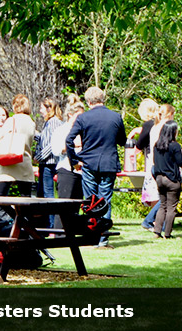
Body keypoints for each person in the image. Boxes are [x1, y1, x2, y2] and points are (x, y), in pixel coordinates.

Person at [66, 86, 127, 249]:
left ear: (88, 101)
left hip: (89, 163)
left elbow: (68, 140)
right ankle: (103, 240)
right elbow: (122, 140)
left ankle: (91, 236)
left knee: (91, 201)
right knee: (105, 200)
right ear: (103, 99)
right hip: (109, 163)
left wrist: (75, 160)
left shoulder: (83, 118)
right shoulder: (115, 117)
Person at [0, 94, 36, 224]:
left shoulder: (12, 120)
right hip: (24, 160)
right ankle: (26, 227)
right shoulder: (31, 123)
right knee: (25, 198)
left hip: (9, 161)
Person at [51, 94, 86, 229]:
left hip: (81, 171)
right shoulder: (61, 130)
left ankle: (73, 233)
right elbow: (56, 150)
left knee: (76, 205)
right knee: (63, 205)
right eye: (78, 116)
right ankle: (59, 233)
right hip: (66, 170)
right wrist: (72, 146)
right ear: (70, 115)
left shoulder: (83, 131)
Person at [129, 98, 160, 232]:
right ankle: (155, 220)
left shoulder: (148, 124)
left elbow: (140, 144)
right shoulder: (159, 123)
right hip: (161, 160)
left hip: (151, 161)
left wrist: (132, 154)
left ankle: (153, 220)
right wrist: (138, 129)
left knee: (154, 192)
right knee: (158, 191)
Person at [34, 97, 65, 228]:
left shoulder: (54, 122)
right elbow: (43, 138)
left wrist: (39, 157)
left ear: (49, 108)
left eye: (42, 108)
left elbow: (52, 144)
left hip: (49, 163)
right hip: (45, 163)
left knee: (48, 195)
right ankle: (43, 224)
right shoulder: (49, 123)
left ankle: (52, 226)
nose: (40, 111)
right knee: (42, 193)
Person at [152, 119, 182, 239]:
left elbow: (155, 162)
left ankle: (157, 231)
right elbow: (180, 162)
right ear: (173, 132)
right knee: (171, 207)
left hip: (159, 178)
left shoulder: (157, 145)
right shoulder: (175, 146)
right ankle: (168, 233)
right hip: (171, 179)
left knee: (162, 205)